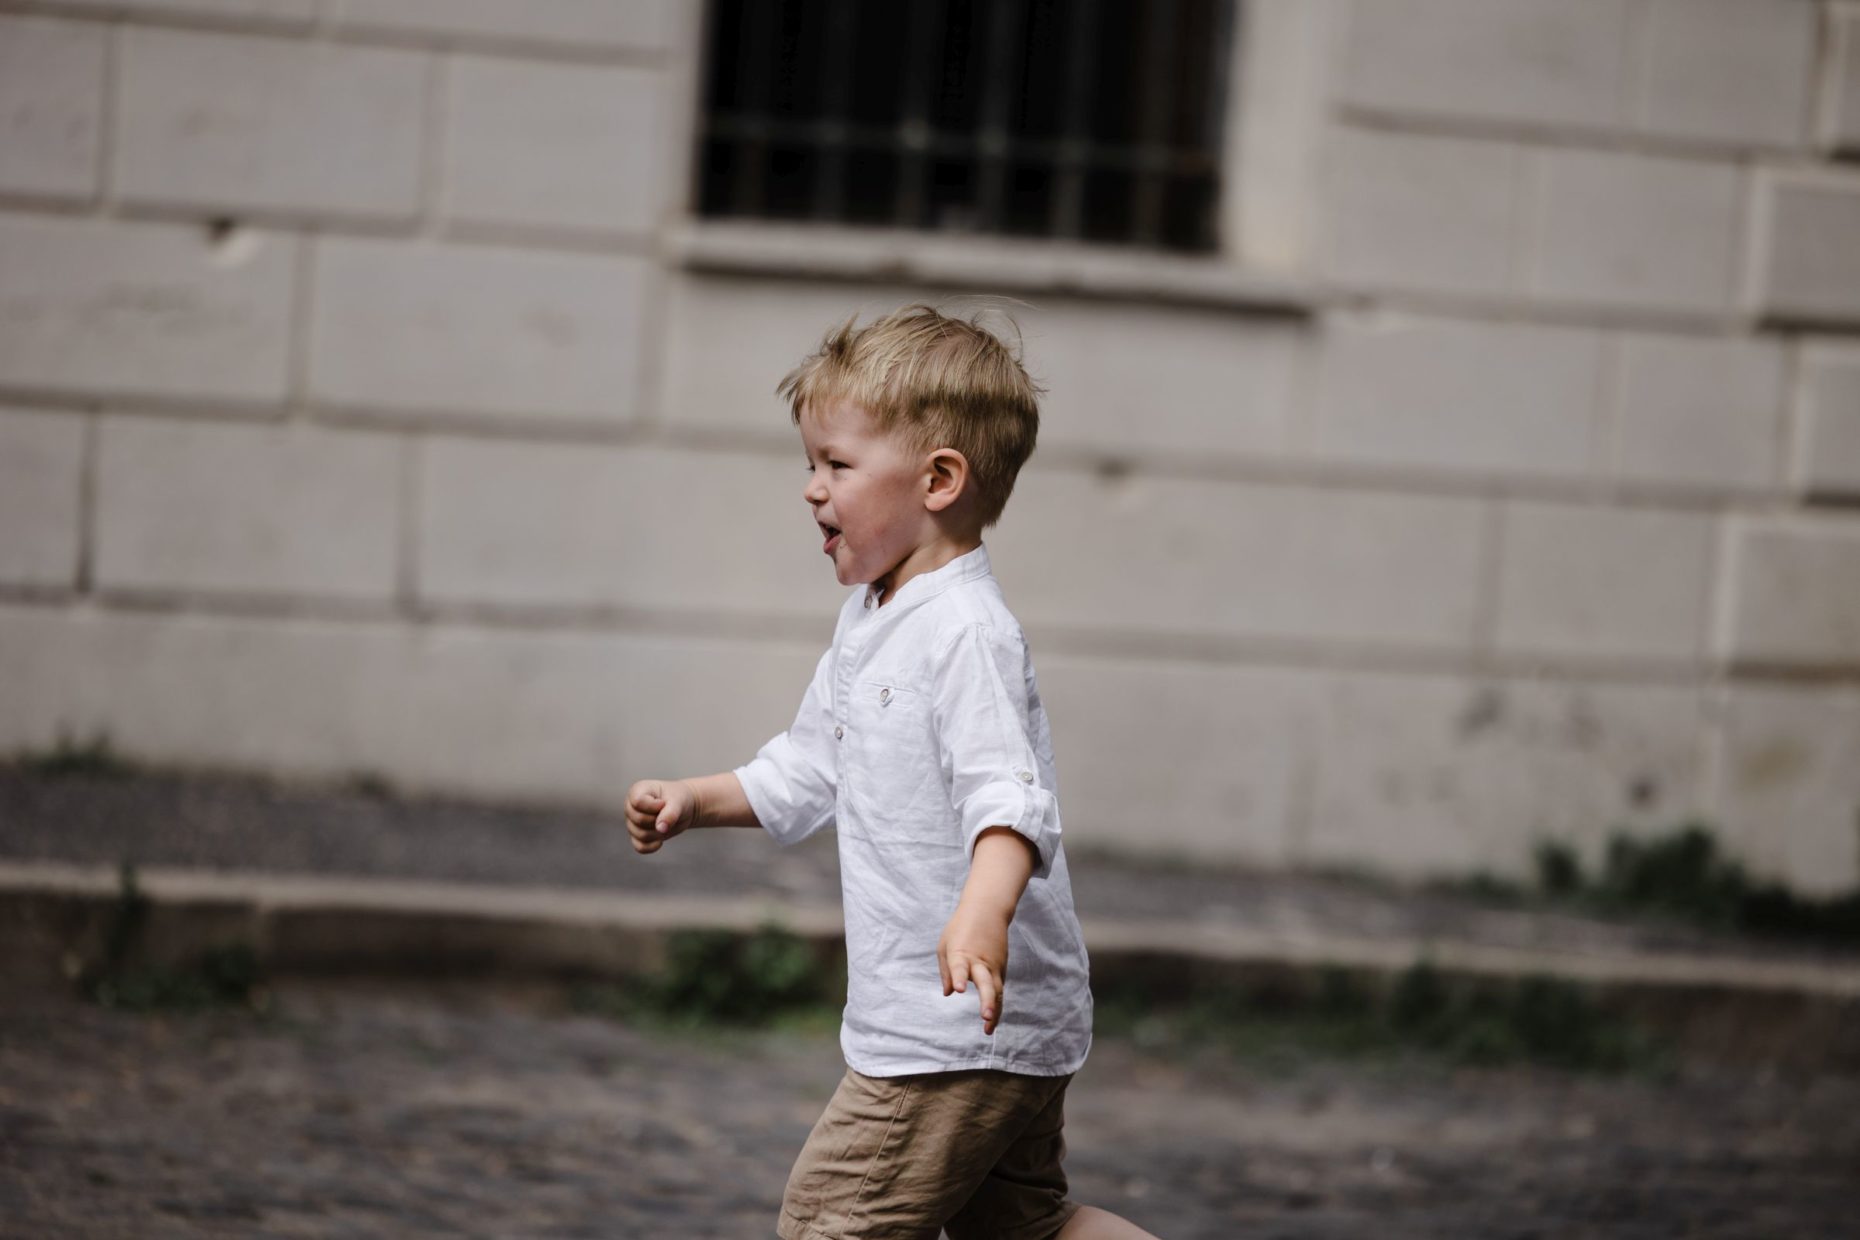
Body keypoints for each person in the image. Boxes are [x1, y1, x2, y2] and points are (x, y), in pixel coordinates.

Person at [625, 303, 1160, 1240]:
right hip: (995, 1023)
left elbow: (1011, 800)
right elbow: (807, 767)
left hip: (951, 1024)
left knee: (833, 1221)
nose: (810, 489)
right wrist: (696, 800)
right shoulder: (876, 618)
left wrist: (981, 912)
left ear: (939, 479)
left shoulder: (965, 632)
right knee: (1024, 1230)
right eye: (810, 463)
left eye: (836, 464)